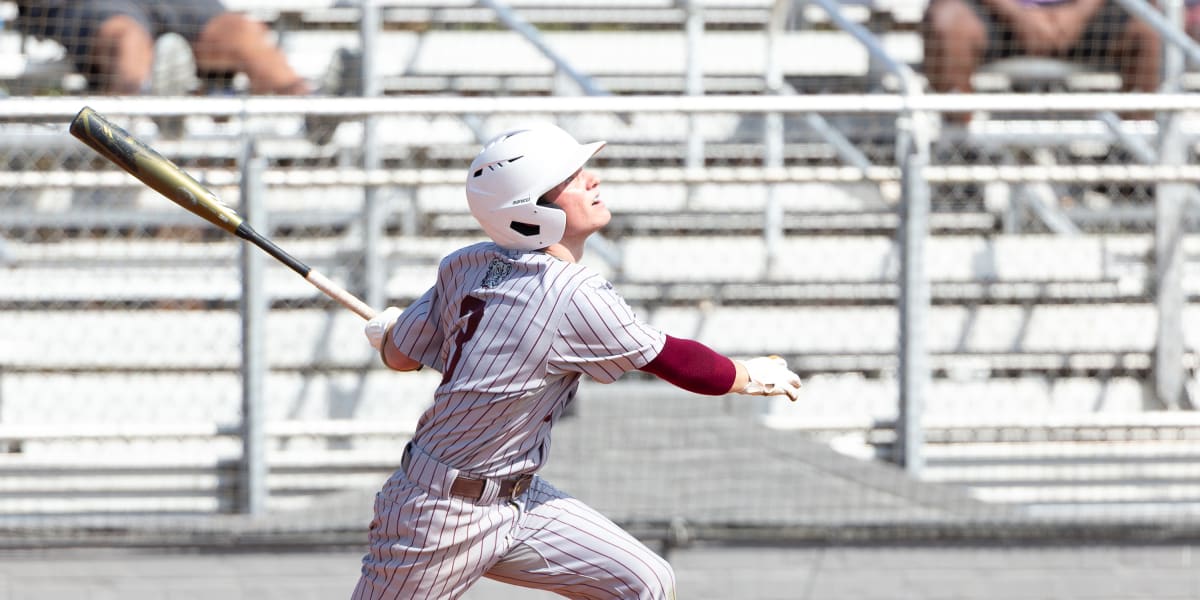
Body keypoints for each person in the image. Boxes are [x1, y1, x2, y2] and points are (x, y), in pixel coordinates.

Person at [353, 123, 803, 599]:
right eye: (569, 177)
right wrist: (747, 376)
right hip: (437, 515)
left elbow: (399, 356)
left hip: (518, 499)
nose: (592, 180)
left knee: (644, 582)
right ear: (530, 209)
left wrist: (390, 332)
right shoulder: (572, 292)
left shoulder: (465, 263)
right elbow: (676, 361)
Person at [922, 0, 1161, 119]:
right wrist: (1017, 15)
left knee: (1152, 28)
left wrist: (1077, 13)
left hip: (1089, 16)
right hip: (996, 14)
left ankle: (1134, 156)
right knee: (948, 23)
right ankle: (961, 151)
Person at [14, 0, 310, 95]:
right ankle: (138, 134)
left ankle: (312, 109)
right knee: (128, 39)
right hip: (85, 5)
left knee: (242, 31)